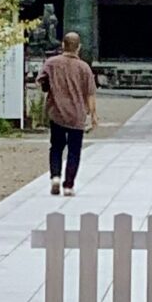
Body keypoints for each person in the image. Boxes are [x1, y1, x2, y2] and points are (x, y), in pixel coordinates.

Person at [39, 30, 99, 196]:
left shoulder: (51, 63)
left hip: (56, 111)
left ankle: (55, 177)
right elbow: (90, 93)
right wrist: (93, 114)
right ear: (78, 47)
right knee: (74, 150)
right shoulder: (84, 68)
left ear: (62, 45)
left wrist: (49, 87)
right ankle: (68, 185)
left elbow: (41, 80)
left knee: (56, 147)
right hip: (77, 114)